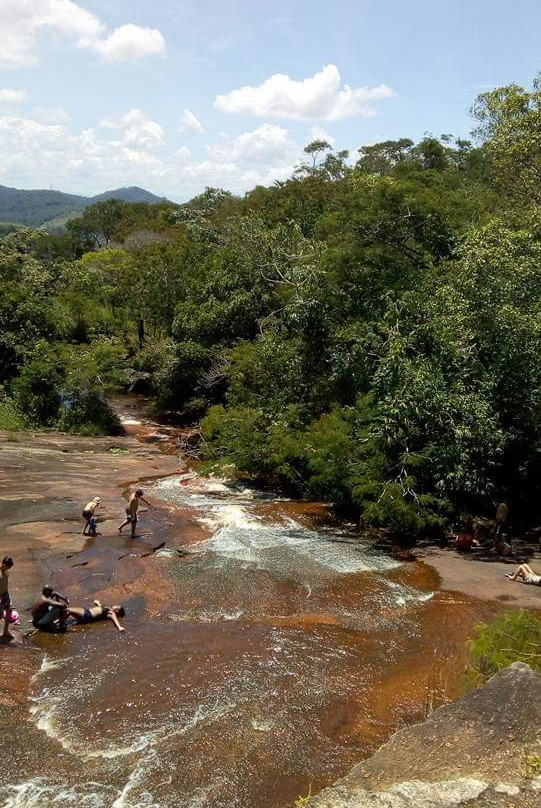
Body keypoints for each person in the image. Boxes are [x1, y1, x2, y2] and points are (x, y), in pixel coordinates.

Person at [1, 556, 14, 640]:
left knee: (9, 610)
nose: (8, 569)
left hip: (5, 593)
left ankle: (5, 631)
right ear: (4, 564)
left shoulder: (6, 572)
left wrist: (8, 596)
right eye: (8, 567)